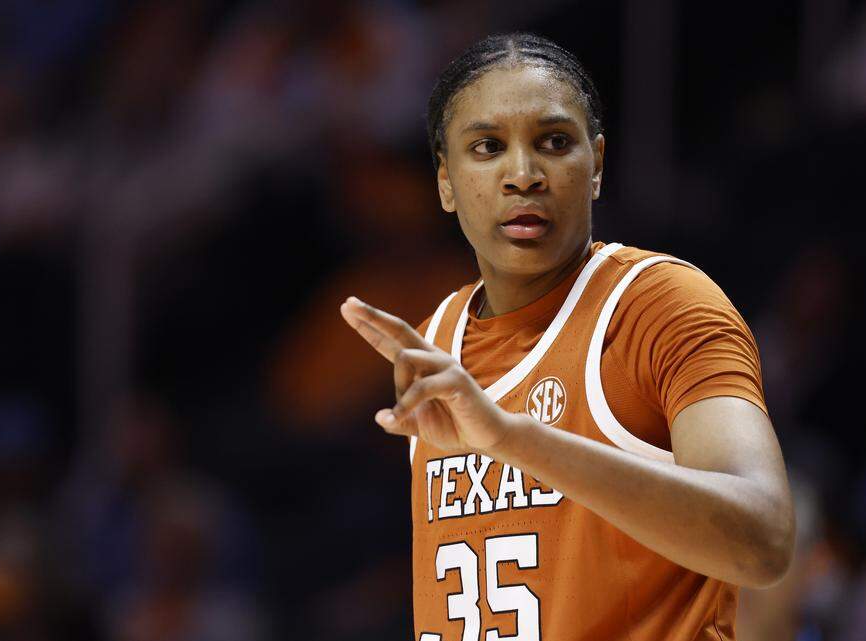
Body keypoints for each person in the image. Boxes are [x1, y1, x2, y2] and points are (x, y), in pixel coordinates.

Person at [339, 33, 794, 641]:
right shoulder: (435, 342)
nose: (523, 174)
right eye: (488, 147)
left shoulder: (658, 305)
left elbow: (763, 540)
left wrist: (514, 439)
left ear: (597, 164)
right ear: (446, 183)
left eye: (554, 143)